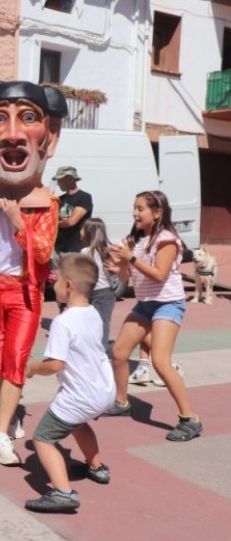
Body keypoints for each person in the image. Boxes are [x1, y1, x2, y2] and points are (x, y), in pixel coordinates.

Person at [0, 81, 67, 466]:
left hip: (25, 293)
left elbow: (42, 253)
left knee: (16, 360)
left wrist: (19, 221)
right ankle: (7, 418)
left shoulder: (47, 204)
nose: (13, 134)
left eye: (29, 118)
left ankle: (2, 433)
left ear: (49, 138)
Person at [103, 190, 202, 442]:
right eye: (134, 208)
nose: (135, 213)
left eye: (140, 208)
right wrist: (120, 267)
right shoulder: (135, 239)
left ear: (157, 213)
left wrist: (130, 258)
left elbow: (159, 274)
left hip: (168, 304)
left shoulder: (167, 240)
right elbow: (127, 280)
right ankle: (122, 403)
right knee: (119, 353)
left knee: (160, 361)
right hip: (145, 304)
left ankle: (190, 418)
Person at [24, 254, 115, 513]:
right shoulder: (93, 313)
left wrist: (31, 368)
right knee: (77, 423)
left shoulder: (63, 323)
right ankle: (97, 467)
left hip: (80, 395)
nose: (53, 284)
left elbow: (55, 364)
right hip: (104, 390)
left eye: (55, 280)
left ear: (68, 286)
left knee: (42, 438)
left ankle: (62, 492)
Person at [79, 218, 116, 354]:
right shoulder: (106, 251)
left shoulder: (85, 252)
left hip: (100, 293)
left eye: (82, 228)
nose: (80, 231)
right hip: (106, 292)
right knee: (101, 322)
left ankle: (100, 351)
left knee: (99, 323)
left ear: (89, 232)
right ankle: (99, 349)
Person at [52, 166, 93, 256]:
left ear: (70, 179)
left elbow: (70, 222)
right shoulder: (59, 199)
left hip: (75, 249)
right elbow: (54, 217)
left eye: (60, 179)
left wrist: (53, 222)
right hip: (57, 248)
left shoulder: (84, 197)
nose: (58, 183)